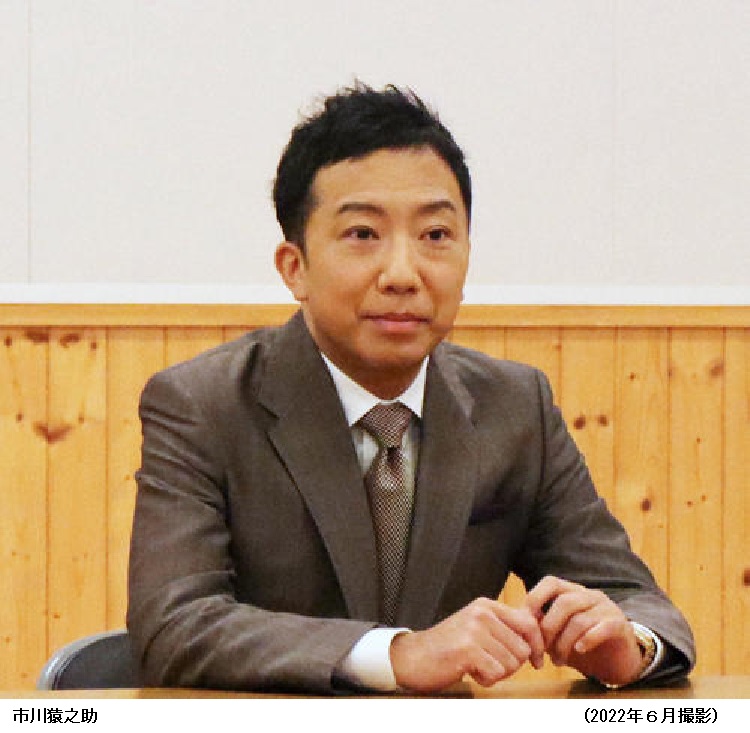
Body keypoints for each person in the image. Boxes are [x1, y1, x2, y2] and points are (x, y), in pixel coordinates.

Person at [127, 83, 695, 694]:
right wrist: (397, 655)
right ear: (295, 267)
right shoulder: (202, 405)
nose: (403, 274)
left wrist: (627, 646)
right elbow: (175, 625)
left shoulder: (515, 407)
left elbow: (635, 599)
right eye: (362, 234)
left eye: (435, 236)